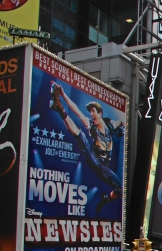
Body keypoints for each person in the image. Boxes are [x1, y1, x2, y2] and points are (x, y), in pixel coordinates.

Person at [48, 85, 125, 214]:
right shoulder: (92, 126)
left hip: (105, 167)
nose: (91, 114)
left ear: (100, 113)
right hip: (94, 159)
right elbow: (77, 111)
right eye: (90, 112)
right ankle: (60, 109)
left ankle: (105, 200)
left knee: (121, 189)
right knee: (81, 136)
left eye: (93, 111)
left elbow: (123, 121)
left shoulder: (110, 124)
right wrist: (63, 95)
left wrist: (121, 130)